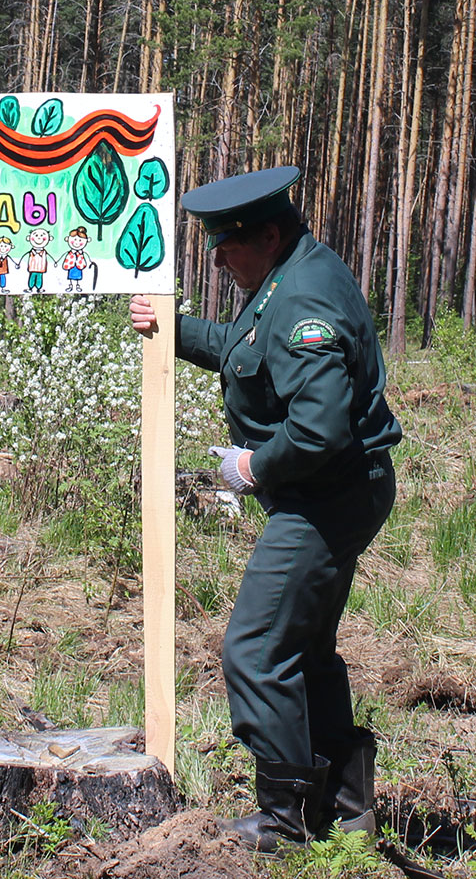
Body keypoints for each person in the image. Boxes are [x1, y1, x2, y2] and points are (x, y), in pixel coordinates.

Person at [130, 166, 401, 853]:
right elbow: (246, 349)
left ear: (269, 234)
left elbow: (319, 429)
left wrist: (253, 465)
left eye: (227, 244)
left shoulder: (304, 297)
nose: (217, 258)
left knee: (253, 648)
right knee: (305, 650)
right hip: (337, 491)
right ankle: (348, 810)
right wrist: (174, 328)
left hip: (327, 497)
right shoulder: (282, 277)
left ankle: (285, 823)